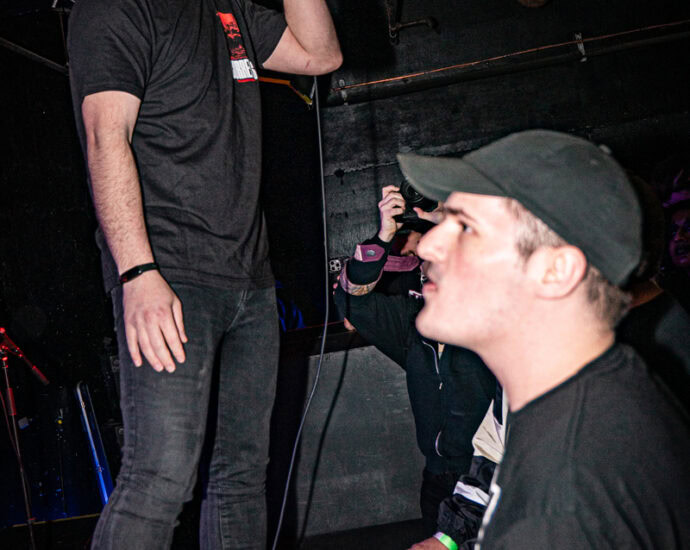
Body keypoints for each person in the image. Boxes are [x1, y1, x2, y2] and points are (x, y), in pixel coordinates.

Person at [67, 0, 341, 548]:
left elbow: (320, 55)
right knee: (159, 479)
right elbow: (105, 137)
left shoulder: (226, 7)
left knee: (242, 480)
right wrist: (137, 272)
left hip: (249, 278)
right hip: (168, 274)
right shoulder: (117, 8)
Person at [396, 130, 690, 549]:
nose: (427, 245)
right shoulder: (569, 394)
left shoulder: (567, 499)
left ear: (556, 272)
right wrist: (449, 540)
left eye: (466, 227)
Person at [334, 186, 496, 535]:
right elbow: (351, 303)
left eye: (440, 253)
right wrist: (383, 237)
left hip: (489, 479)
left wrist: (454, 220)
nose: (425, 262)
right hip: (437, 480)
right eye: (424, 265)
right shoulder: (414, 325)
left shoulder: (494, 324)